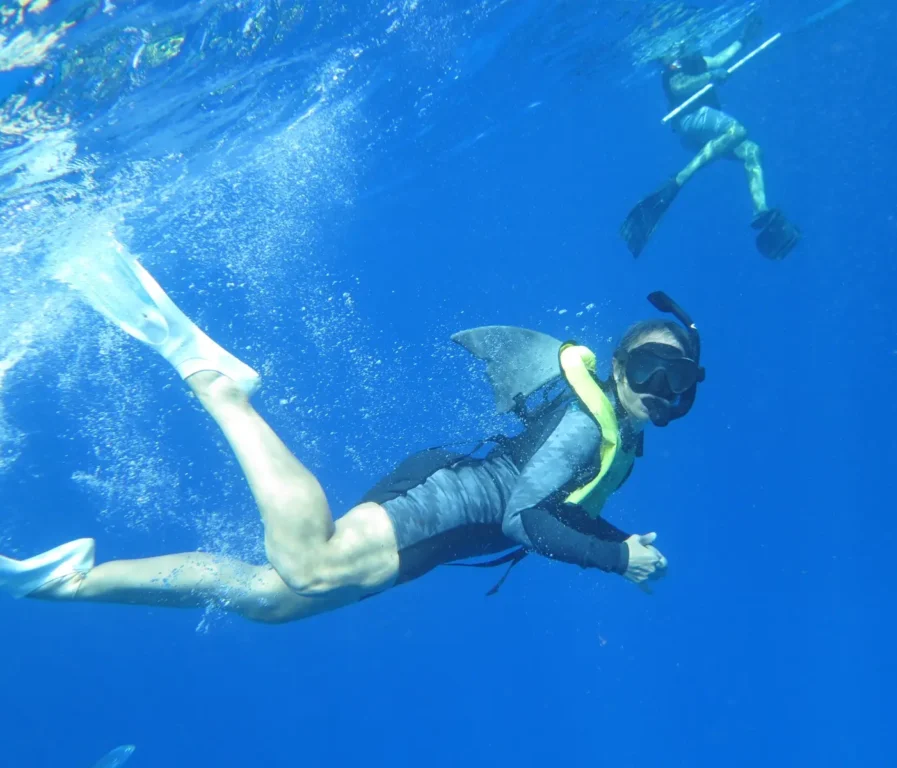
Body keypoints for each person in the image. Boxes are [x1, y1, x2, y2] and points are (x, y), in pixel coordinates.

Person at [0, 254, 706, 624]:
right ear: (619, 366)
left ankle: (74, 583)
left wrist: (621, 543)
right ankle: (223, 391)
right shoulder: (586, 420)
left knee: (271, 599)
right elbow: (526, 515)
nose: (661, 391)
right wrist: (615, 557)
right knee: (308, 565)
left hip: (452, 533)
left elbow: (560, 506)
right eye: (650, 370)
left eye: (680, 383)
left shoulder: (622, 438)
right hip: (447, 501)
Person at [620, 14, 801, 261]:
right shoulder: (674, 64)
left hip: (705, 127)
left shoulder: (694, 59)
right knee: (737, 131)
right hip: (689, 121)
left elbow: (718, 59)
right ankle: (680, 179)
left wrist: (743, 40)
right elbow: (679, 87)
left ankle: (761, 210)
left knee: (752, 151)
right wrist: (710, 76)